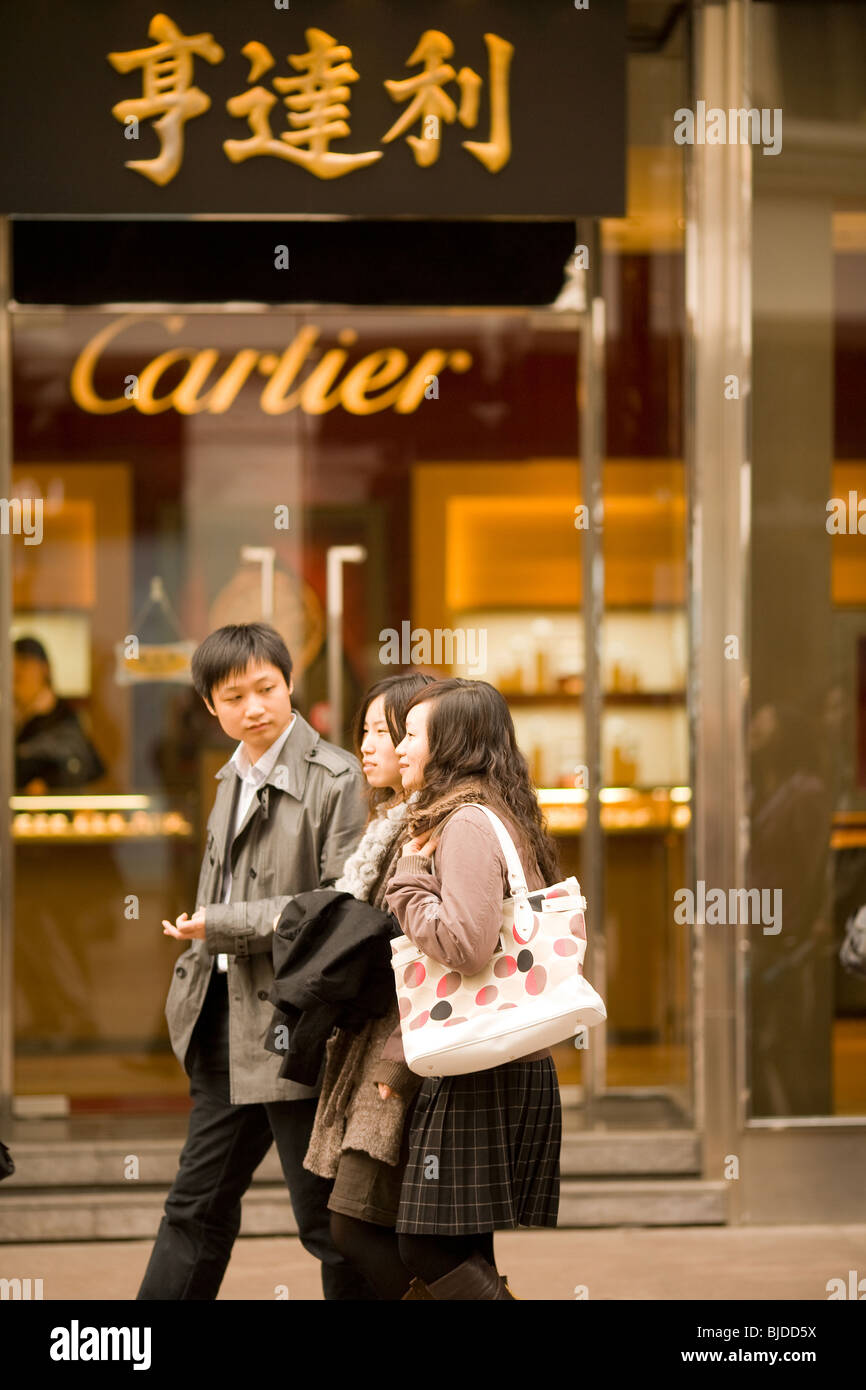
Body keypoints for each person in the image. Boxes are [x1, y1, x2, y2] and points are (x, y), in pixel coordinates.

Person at [137, 622, 369, 1301]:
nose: (254, 708)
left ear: (291, 682)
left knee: (328, 1225)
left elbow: (338, 908)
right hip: (220, 1022)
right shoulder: (229, 778)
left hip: (296, 1027)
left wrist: (222, 926)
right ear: (211, 706)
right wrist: (206, 932)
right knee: (195, 1208)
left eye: (266, 688)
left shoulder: (337, 778)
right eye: (233, 696)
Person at [383, 678, 563, 1300]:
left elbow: (465, 944)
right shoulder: (497, 811)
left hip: (478, 1057)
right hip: (499, 1053)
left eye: (411, 734)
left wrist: (407, 883)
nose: (401, 747)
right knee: (462, 1242)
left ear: (450, 744)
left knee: (425, 1244)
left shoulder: (464, 823)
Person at [302, 672, 437, 1300]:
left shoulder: (429, 829)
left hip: (402, 1053)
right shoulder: (387, 827)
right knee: (365, 1232)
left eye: (389, 731)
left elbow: (445, 951)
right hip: (374, 1051)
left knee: (356, 1228)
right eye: (367, 730)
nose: (372, 745)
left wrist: (397, 1066)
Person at [13, 636, 105, 791]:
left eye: (21, 674)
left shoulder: (63, 715)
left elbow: (83, 765)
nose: (16, 682)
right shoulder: (11, 717)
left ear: (44, 669)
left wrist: (48, 783)